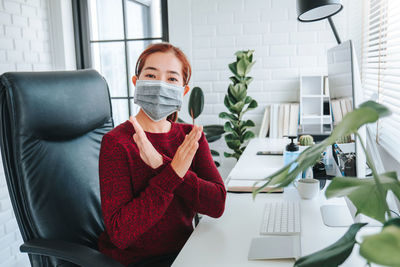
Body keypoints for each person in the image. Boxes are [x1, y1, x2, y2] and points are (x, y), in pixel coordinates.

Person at [97, 42, 227, 267]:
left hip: (185, 252)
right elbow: (120, 233)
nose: (160, 85)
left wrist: (161, 164)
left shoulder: (190, 138)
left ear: (183, 91)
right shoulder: (117, 142)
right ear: (136, 82)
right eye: (151, 75)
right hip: (135, 261)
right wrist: (173, 172)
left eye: (172, 79)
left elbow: (217, 204)